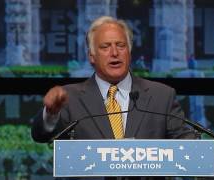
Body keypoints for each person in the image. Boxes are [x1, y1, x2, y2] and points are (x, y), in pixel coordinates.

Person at [31, 16, 196, 143]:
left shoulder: (161, 96)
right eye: (105, 47)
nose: (115, 53)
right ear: (91, 56)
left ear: (129, 53)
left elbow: (184, 142)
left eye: (121, 45)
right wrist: (51, 114)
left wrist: (200, 150)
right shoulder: (69, 98)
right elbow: (41, 135)